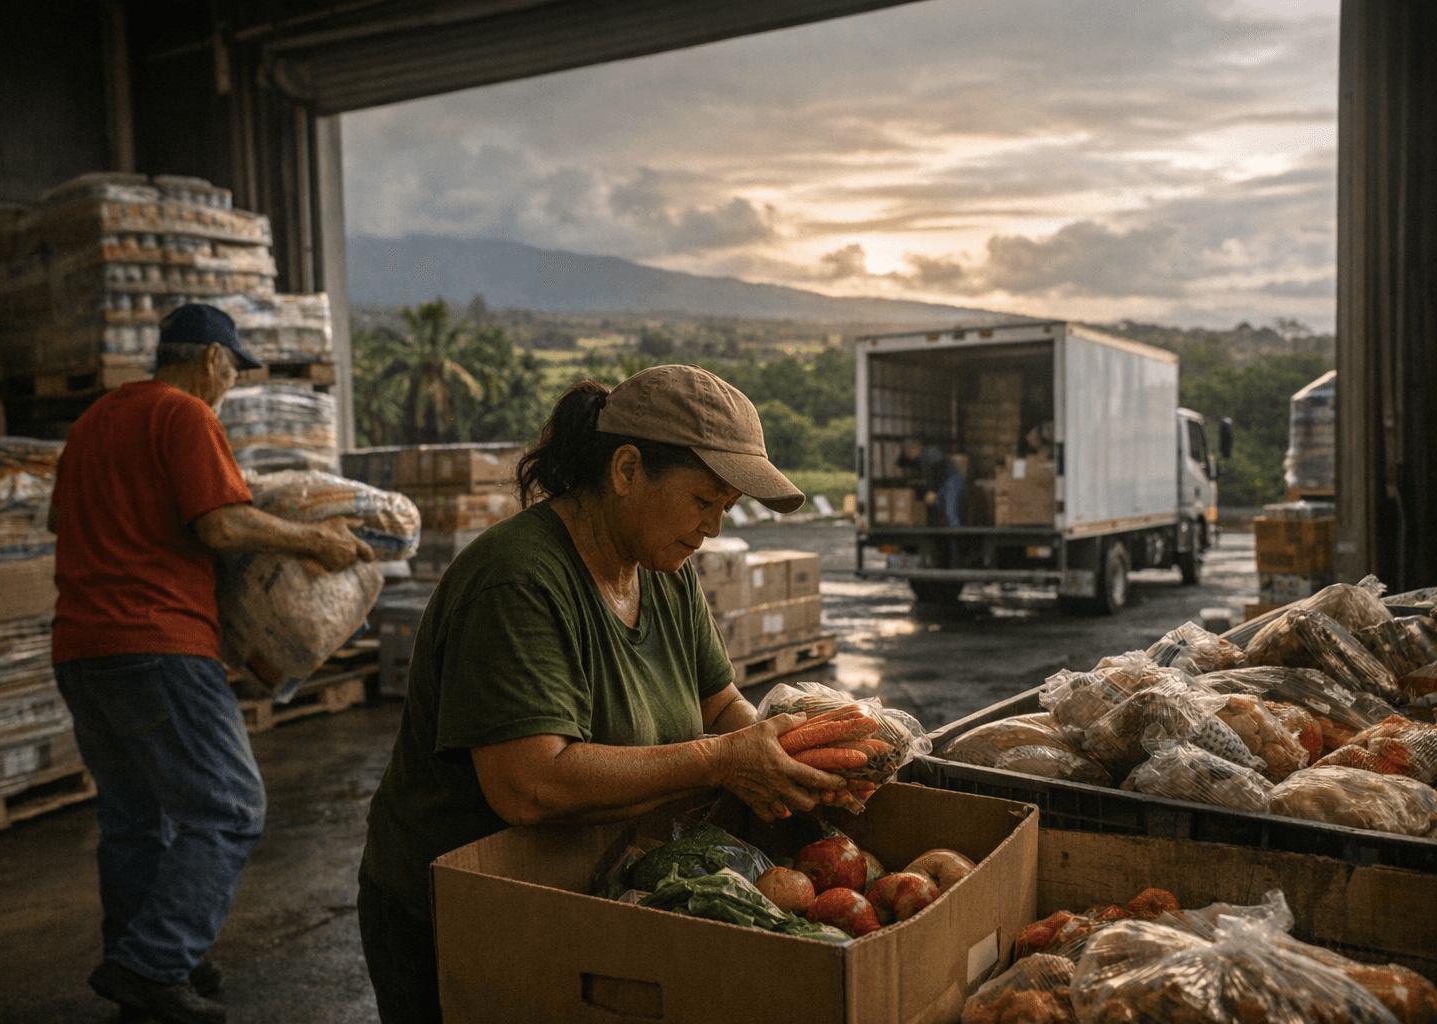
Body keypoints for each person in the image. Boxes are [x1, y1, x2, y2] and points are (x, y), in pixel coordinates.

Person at [357, 365, 855, 1023]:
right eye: (703, 501)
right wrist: (725, 760)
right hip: (459, 910)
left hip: (577, 886)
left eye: (726, 511)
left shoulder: (664, 571)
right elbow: (530, 784)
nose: (711, 527)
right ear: (626, 470)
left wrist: (793, 748)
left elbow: (721, 704)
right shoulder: (518, 583)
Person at [50, 303, 374, 1024]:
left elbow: (58, 523)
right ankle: (154, 961)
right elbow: (221, 523)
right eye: (233, 370)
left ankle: (143, 953)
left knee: (136, 817)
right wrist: (314, 543)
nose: (230, 385)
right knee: (230, 807)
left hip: (80, 647)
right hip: (158, 642)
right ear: (211, 361)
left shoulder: (93, 423)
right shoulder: (187, 415)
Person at [898, 440, 964, 528]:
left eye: (908, 454)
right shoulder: (920, 459)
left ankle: (956, 540)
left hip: (951, 481)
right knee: (934, 507)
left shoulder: (930, 451)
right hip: (942, 484)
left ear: (913, 449)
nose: (909, 457)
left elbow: (940, 470)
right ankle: (940, 538)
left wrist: (933, 491)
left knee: (950, 512)